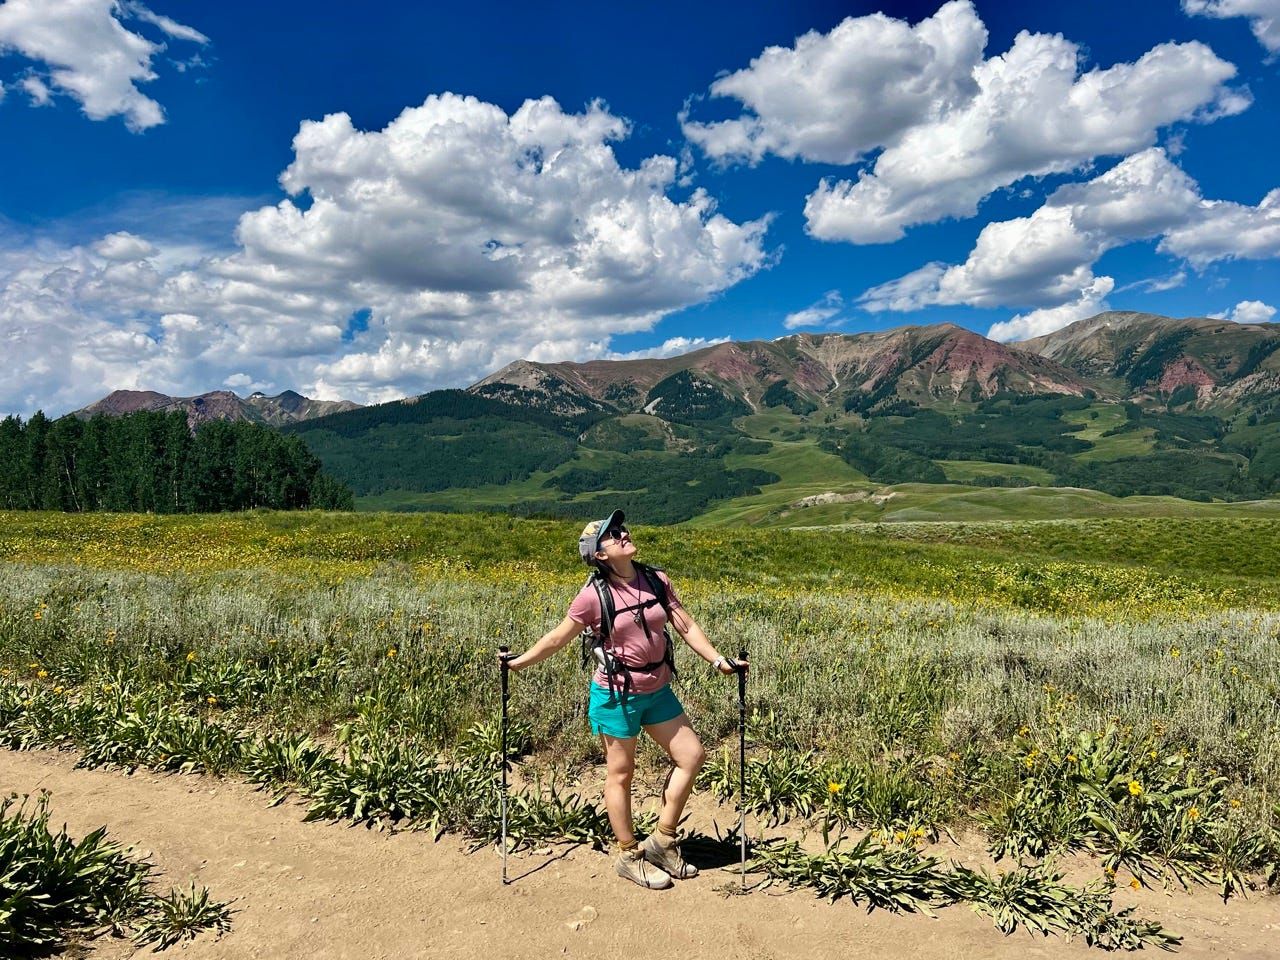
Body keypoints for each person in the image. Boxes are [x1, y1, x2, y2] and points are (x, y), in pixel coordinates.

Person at [499, 509, 744, 890]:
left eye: (621, 529)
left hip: (657, 689)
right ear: (599, 555)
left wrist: (717, 660)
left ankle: (663, 841)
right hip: (616, 695)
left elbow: (685, 623)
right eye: (612, 535)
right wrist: (517, 663)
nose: (622, 534)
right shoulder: (592, 597)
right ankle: (630, 855)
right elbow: (556, 639)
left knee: (692, 756)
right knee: (621, 773)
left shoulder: (656, 579)